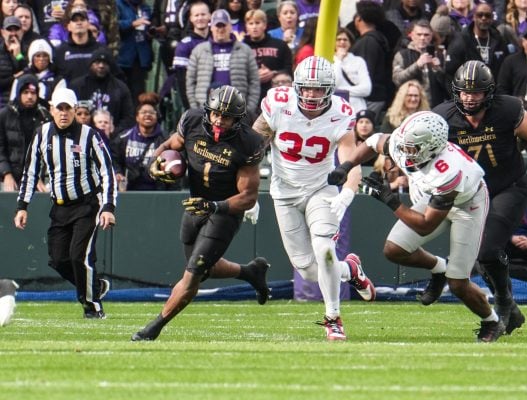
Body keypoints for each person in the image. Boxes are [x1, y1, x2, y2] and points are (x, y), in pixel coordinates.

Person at [328, 110, 505, 342]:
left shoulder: (448, 171)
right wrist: (346, 166)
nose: (403, 151)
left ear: (430, 148)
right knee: (395, 249)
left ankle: (492, 321)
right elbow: (373, 143)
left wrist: (389, 200)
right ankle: (439, 268)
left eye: (411, 148)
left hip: (467, 206)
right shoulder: (406, 143)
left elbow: (425, 226)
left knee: (458, 284)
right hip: (434, 197)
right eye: (403, 144)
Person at [433, 60, 527, 335]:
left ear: (488, 92)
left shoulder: (506, 109)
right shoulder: (443, 116)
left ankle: (503, 304)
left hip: (508, 186)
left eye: (476, 92)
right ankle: (509, 307)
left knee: (487, 250)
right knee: (479, 255)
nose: (469, 97)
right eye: (464, 91)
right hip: (472, 192)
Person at [131, 85, 270, 341]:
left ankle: (153, 328)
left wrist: (216, 206)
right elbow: (169, 145)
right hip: (195, 204)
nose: (219, 120)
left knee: (193, 273)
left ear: (237, 120)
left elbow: (248, 197)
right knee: (206, 268)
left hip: (224, 212)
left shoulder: (247, 143)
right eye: (216, 114)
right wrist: (155, 165)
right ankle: (250, 272)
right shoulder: (193, 120)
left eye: (226, 117)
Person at [252, 56, 376, 341]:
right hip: (284, 193)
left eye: (318, 89)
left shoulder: (340, 113)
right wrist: (248, 192)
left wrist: (348, 191)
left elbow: (351, 160)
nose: (311, 94)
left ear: (330, 90)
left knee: (325, 250)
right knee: (309, 272)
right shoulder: (278, 103)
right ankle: (351, 270)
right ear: (296, 87)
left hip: (321, 189)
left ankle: (333, 318)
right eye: (306, 88)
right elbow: (253, 146)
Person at [14, 87, 116, 319]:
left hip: (86, 205)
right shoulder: (41, 134)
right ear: (51, 109)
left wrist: (108, 207)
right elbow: (30, 172)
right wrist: (22, 206)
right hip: (59, 206)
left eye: (67, 108)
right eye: (58, 108)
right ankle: (96, 286)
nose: (63, 113)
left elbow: (107, 171)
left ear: (75, 110)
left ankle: (92, 306)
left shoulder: (89, 135)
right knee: (59, 260)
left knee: (79, 256)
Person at [186, 9, 260, 118]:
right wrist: (196, 107)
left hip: (236, 111)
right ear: (211, 27)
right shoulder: (199, 50)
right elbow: (190, 81)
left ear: (230, 27)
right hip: (205, 109)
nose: (220, 29)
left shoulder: (245, 50)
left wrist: (248, 109)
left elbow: (254, 81)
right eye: (217, 26)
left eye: (224, 25)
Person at [0, 74, 52, 192]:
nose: (29, 96)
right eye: (25, 92)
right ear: (18, 94)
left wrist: (38, 176)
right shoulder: (4, 115)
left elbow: (48, 151)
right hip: (8, 176)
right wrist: (6, 174)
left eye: (33, 93)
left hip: (36, 178)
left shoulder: (44, 116)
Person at [110, 92, 170, 191]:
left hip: (157, 193)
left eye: (151, 112)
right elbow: (113, 159)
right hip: (130, 191)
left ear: (157, 116)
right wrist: (117, 173)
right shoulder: (124, 137)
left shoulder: (166, 140)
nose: (147, 115)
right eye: (144, 112)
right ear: (137, 117)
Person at [69, 47, 136, 135]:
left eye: (105, 63)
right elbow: (69, 111)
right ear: (91, 64)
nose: (101, 66)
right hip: (81, 134)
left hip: (112, 137)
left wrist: (115, 132)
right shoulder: (77, 85)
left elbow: (128, 117)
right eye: (97, 62)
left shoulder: (120, 87)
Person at [391, 19, 448, 108]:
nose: (422, 38)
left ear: (431, 36)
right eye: (419, 34)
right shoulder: (402, 55)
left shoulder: (440, 54)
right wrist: (417, 65)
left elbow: (447, 84)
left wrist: (437, 69)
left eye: (426, 35)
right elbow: (397, 80)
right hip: (410, 106)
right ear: (412, 35)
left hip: (435, 105)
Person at [172, 0, 211, 110]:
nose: (200, 18)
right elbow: (182, 81)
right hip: (196, 100)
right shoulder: (184, 45)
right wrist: (190, 107)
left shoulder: (217, 41)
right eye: (196, 15)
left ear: (209, 16)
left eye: (203, 14)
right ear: (191, 18)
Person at [332, 27, 372, 115]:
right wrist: (338, 60)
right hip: (336, 108)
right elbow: (333, 84)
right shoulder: (329, 60)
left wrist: (340, 91)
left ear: (350, 43)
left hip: (357, 108)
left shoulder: (358, 61)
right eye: (338, 39)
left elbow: (366, 89)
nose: (342, 42)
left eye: (345, 40)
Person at [0, 16, 27, 107]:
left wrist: (18, 56)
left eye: (16, 29)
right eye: (9, 30)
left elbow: (30, 75)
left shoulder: (30, 50)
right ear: (3, 32)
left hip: (24, 102)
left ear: (22, 31)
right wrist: (14, 77)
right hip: (3, 103)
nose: (13, 33)